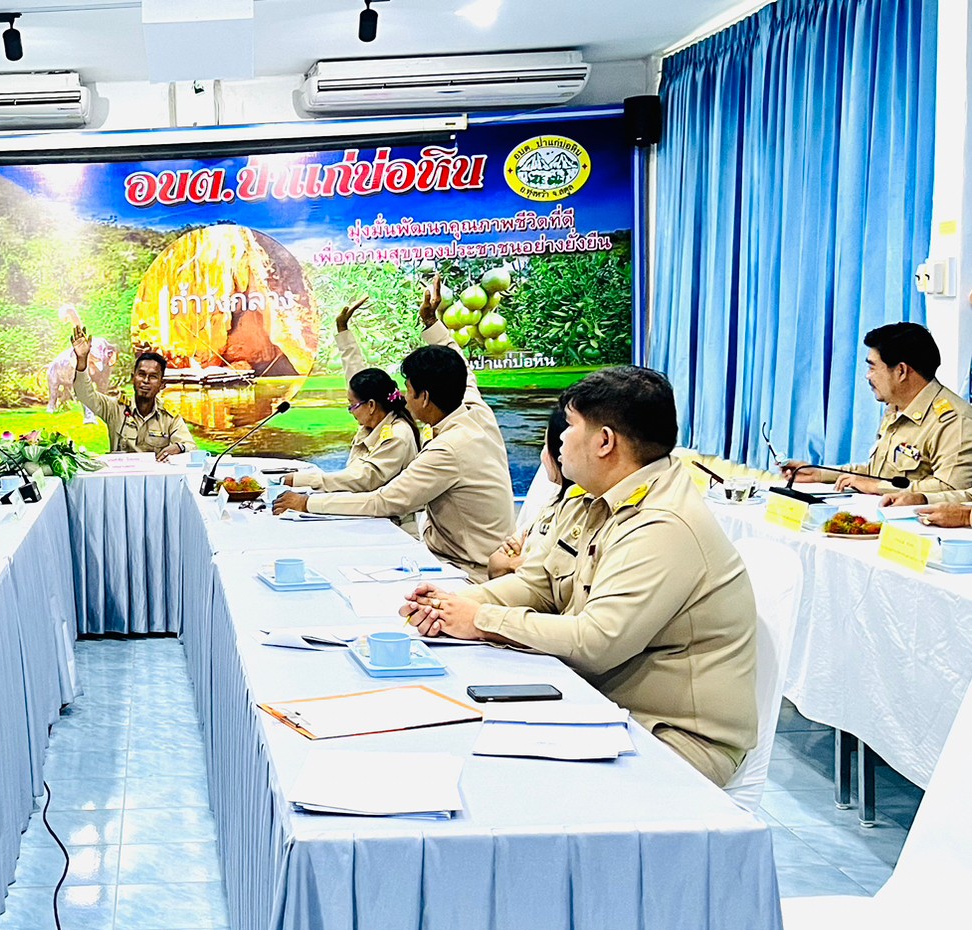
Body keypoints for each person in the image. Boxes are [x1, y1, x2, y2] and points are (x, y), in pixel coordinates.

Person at [403, 366, 758, 786]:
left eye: (570, 427)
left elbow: (597, 642)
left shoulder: (663, 524)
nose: (559, 440)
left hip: (670, 734)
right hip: (598, 702)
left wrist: (480, 621)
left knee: (498, 781)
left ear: (605, 442)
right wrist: (453, 606)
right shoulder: (591, 498)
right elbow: (538, 583)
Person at [272, 279, 514, 579]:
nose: (403, 395)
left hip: (465, 571)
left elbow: (383, 499)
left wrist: (307, 502)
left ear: (424, 397)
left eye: (409, 389)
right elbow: (463, 369)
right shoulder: (475, 413)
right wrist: (430, 322)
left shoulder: (447, 448)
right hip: (444, 553)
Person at [783, 322, 972, 493]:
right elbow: (878, 473)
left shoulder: (955, 421)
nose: (868, 376)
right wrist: (819, 474)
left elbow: (952, 489)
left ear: (901, 371)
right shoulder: (895, 409)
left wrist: (877, 487)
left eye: (872, 368)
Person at [282, 297, 420, 493]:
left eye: (352, 406)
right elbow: (355, 375)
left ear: (371, 405)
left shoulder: (398, 435)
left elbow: (366, 478)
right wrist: (343, 330)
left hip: (391, 521)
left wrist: (304, 480)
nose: (351, 412)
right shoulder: (375, 423)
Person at [70, 323, 196, 461]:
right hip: (121, 478)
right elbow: (84, 394)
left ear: (161, 384)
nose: (146, 381)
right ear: (133, 378)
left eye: (153, 377)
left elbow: (190, 446)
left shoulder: (169, 417)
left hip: (153, 478)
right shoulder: (115, 408)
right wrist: (82, 360)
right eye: (141, 374)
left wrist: (179, 447)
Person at [488, 399, 571, 579]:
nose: (543, 455)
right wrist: (513, 562)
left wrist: (517, 563)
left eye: (546, 446)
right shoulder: (550, 494)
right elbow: (496, 563)